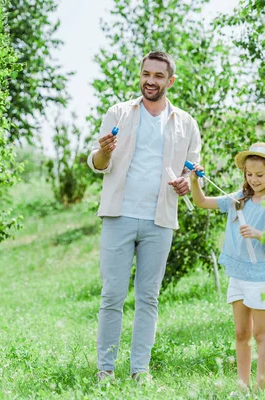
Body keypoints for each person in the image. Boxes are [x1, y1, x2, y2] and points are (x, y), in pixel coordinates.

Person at [87, 50, 202, 383]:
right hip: (118, 214)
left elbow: (192, 169)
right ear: (140, 76)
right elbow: (97, 164)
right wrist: (103, 151)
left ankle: (140, 371)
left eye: (158, 76)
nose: (150, 81)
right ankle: (105, 370)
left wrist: (186, 180)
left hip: (160, 219)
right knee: (112, 295)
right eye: (146, 74)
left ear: (170, 80)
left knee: (148, 297)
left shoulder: (186, 123)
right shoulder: (119, 113)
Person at [188, 142, 265, 391]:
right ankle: (242, 386)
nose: (253, 179)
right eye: (249, 174)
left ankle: (260, 388)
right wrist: (194, 181)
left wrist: (258, 233)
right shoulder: (237, 199)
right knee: (242, 333)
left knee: (261, 335)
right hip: (238, 276)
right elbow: (201, 202)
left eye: (260, 175)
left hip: (261, 278)